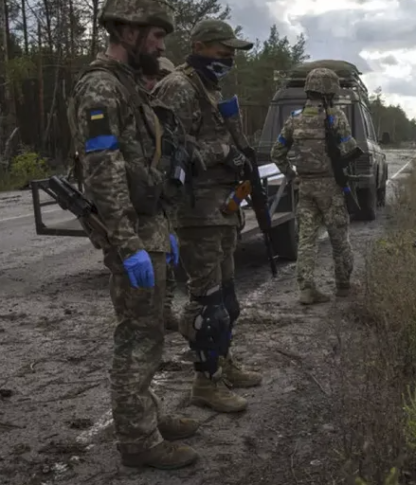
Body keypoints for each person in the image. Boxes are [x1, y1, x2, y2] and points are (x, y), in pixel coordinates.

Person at [67, 0, 199, 470]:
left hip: (148, 227)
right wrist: (128, 246)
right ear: (125, 30)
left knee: (150, 336)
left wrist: (162, 228)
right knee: (137, 338)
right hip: (131, 235)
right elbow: (104, 171)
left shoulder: (128, 87)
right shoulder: (102, 86)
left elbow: (143, 166)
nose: (162, 45)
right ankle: (138, 441)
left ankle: (148, 415)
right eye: (155, 35)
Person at [153, 18, 261, 414]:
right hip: (197, 211)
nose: (230, 56)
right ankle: (205, 381)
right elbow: (166, 149)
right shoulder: (179, 87)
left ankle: (222, 363)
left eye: (233, 50)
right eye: (223, 49)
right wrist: (221, 153)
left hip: (222, 209)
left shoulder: (209, 87)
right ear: (199, 45)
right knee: (207, 303)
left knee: (227, 301)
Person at [270, 67, 360, 305]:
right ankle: (343, 285)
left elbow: (277, 153)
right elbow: (351, 149)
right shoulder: (335, 117)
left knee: (306, 239)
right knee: (339, 237)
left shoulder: (294, 118)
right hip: (330, 187)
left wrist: (292, 175)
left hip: (306, 188)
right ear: (330, 90)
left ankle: (306, 289)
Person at [141, 55, 181, 333]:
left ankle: (165, 310)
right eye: (153, 78)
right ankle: (153, 315)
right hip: (145, 202)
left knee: (169, 263)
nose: (156, 84)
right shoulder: (137, 114)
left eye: (161, 79)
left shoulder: (164, 117)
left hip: (165, 201)